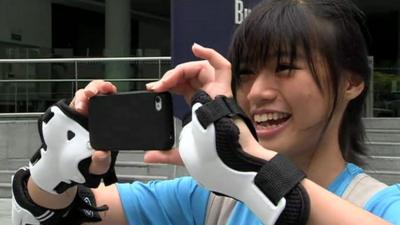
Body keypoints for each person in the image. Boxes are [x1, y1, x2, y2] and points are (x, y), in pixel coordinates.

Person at [11, 0, 400, 225]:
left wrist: (252, 167)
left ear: (351, 81)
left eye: (285, 67)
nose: (259, 91)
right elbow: (47, 217)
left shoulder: (379, 205)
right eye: (245, 73)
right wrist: (55, 167)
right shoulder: (211, 199)